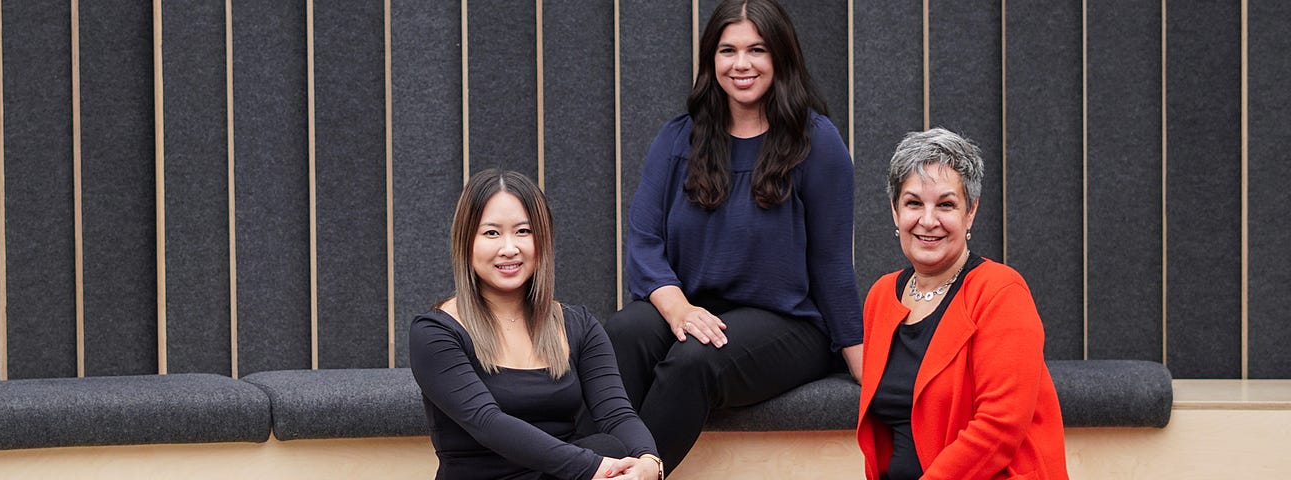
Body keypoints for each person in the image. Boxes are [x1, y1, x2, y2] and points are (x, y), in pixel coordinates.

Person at [607, 0, 862, 474]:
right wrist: (679, 308)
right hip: (695, 309)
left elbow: (832, 266)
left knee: (693, 360)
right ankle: (586, 465)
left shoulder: (817, 142)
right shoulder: (678, 139)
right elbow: (644, 244)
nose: (741, 64)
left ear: (781, 57)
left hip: (790, 324)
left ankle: (639, 471)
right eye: (728, 50)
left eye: (756, 50)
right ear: (712, 60)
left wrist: (862, 362)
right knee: (622, 333)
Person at [411, 169, 663, 480]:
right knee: (604, 450)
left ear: (542, 239)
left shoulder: (578, 325)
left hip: (561, 475)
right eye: (491, 233)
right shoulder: (436, 332)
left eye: (523, 231)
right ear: (466, 242)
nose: (509, 248)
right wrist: (595, 468)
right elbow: (487, 422)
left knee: (609, 444)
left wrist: (650, 463)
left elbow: (616, 412)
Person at [856, 128, 1068, 479]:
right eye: (913, 203)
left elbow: (999, 427)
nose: (928, 220)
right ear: (895, 212)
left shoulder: (1001, 292)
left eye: (945, 204)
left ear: (970, 213)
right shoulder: (881, 296)